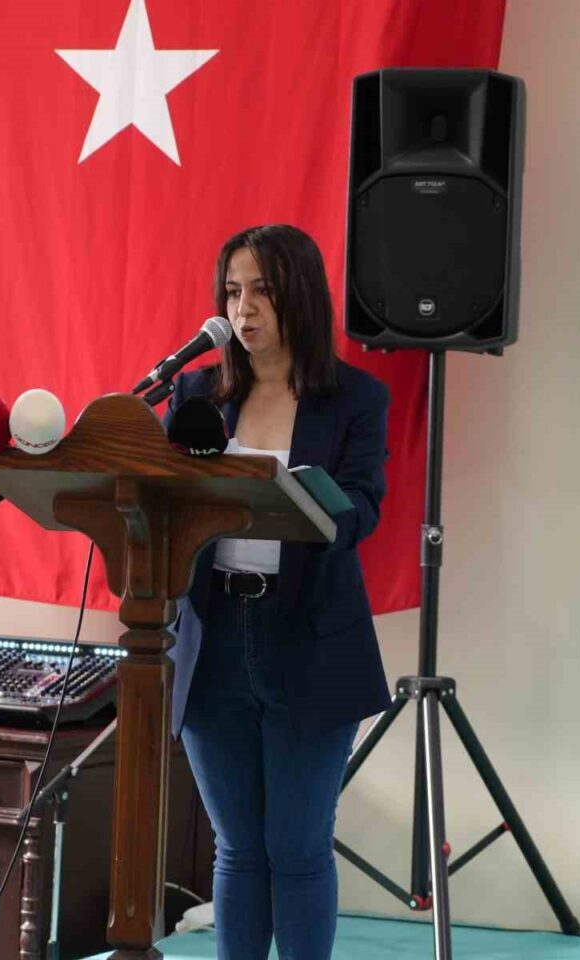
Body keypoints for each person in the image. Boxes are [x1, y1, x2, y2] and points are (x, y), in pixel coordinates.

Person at [164, 224, 392, 959]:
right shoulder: (194, 393)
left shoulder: (355, 398)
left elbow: (365, 503)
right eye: (232, 291)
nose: (244, 308)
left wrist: (308, 506)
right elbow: (161, 497)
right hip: (212, 637)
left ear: (302, 295)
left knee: (295, 848)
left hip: (310, 638)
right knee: (236, 848)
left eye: (262, 289)